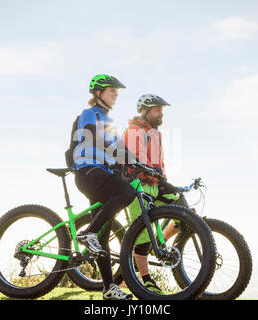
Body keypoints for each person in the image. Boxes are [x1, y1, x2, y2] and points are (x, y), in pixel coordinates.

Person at [72, 74, 136, 300]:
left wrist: (141, 165)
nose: (116, 95)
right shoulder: (89, 114)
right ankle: (88, 232)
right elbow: (93, 136)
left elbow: (121, 150)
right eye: (112, 91)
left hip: (101, 175)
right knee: (128, 192)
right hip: (89, 173)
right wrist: (118, 148)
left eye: (117, 92)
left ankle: (108, 288)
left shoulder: (109, 122)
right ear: (98, 93)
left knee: (103, 232)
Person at [123, 94, 182, 294]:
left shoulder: (156, 133)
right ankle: (146, 280)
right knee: (141, 235)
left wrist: (164, 182)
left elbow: (159, 164)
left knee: (183, 212)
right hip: (137, 185)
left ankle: (157, 244)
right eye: (158, 110)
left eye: (161, 109)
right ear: (145, 112)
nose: (161, 113)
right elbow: (138, 161)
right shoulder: (134, 131)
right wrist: (159, 180)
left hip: (155, 185)